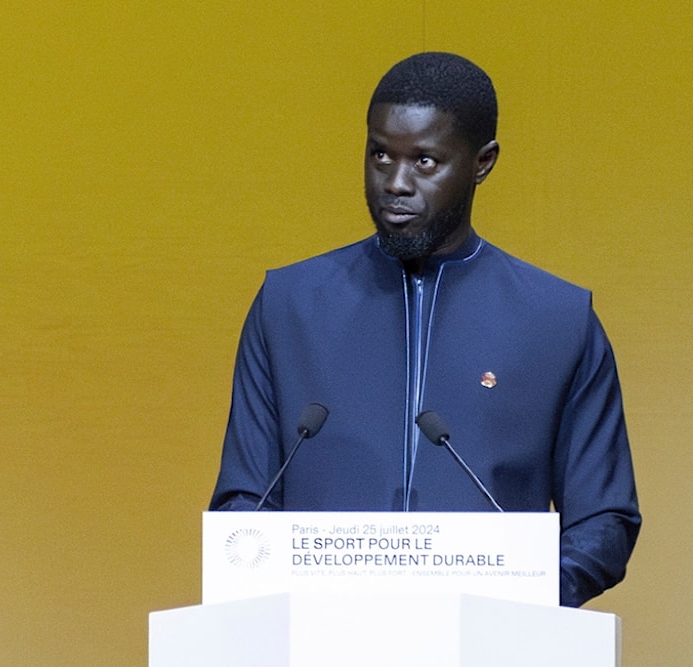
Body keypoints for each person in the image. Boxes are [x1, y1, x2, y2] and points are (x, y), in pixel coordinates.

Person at [209, 52, 640, 607]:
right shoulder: (289, 306)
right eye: (380, 155)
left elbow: (604, 519)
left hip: (495, 644)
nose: (395, 183)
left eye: (425, 162)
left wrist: (521, 603)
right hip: (320, 637)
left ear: (482, 162)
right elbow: (244, 500)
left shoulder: (558, 319)